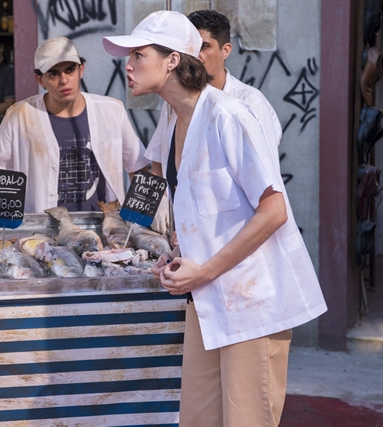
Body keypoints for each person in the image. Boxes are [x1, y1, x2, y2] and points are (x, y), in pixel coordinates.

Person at [103, 11, 327, 427]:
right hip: (206, 301)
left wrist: (203, 270)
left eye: (138, 54)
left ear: (171, 60)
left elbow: (274, 209)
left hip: (252, 303)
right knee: (197, 420)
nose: (128, 66)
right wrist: (176, 252)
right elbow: (202, 210)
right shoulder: (173, 121)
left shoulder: (230, 114)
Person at [0, 36, 148, 216]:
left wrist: (143, 215)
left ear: (81, 69)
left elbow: (137, 167)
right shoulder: (21, 114)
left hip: (104, 226)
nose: (64, 80)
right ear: (40, 79)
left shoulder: (112, 110)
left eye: (70, 70)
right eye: (53, 73)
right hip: (43, 231)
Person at [146, 9, 282, 236]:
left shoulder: (247, 103)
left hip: (235, 245)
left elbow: (267, 192)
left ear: (225, 50)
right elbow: (158, 162)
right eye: (191, 48)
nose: (196, 55)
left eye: (204, 47)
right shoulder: (173, 105)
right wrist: (155, 209)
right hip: (185, 240)